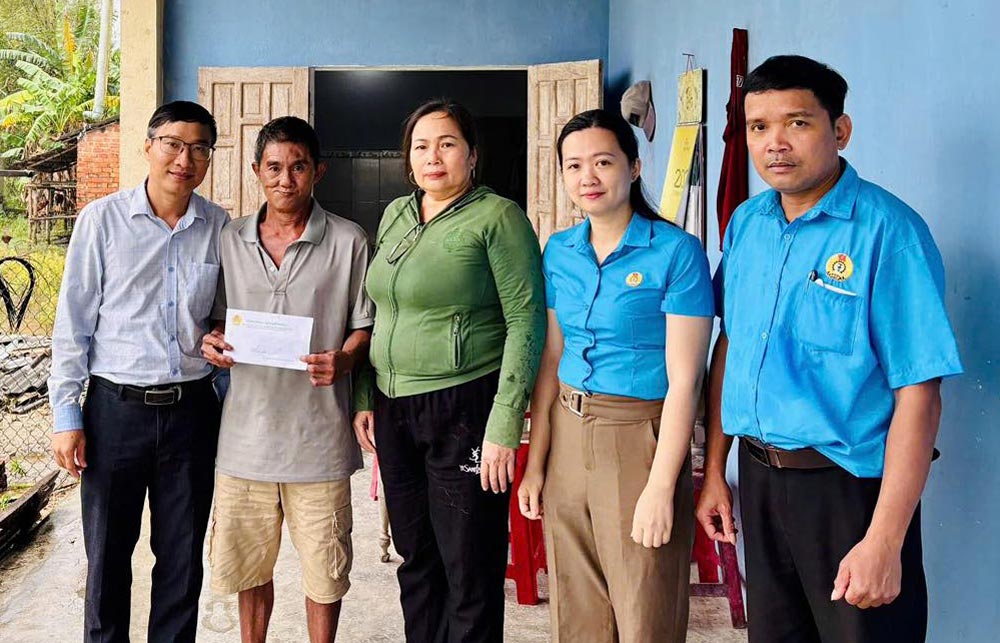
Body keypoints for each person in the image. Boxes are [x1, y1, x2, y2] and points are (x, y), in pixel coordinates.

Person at [695, 55, 964, 643]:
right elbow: (731, 349)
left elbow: (918, 393)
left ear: (839, 131)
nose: (775, 144)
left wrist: (884, 540)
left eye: (798, 123)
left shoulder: (888, 231)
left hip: (848, 491)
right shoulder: (747, 224)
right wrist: (715, 470)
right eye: (759, 127)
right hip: (759, 481)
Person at [352, 98, 545, 643]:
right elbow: (378, 309)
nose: (433, 156)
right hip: (394, 406)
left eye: (447, 143)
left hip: (466, 405)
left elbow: (526, 321)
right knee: (417, 558)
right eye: (421, 146)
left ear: (472, 155)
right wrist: (366, 393)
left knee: (470, 564)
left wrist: (506, 423)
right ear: (407, 158)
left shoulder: (498, 217)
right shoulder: (397, 213)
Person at [516, 109, 714, 642]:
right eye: (574, 165)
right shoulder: (560, 250)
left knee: (643, 606)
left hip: (639, 439)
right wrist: (536, 464)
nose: (589, 177)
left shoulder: (676, 252)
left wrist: (661, 486)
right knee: (578, 611)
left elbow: (684, 382)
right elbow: (552, 359)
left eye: (603, 161)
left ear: (634, 166)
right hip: (568, 434)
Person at [48, 100, 227, 642]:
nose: (184, 158)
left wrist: (222, 337)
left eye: (199, 148)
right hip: (114, 412)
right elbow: (72, 323)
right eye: (173, 143)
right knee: (107, 557)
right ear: (148, 146)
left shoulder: (219, 226)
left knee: (182, 559)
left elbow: (220, 315)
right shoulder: (101, 222)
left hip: (192, 413)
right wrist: (65, 414)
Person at [200, 116, 373, 643]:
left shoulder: (348, 241)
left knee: (325, 572)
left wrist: (342, 360)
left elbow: (363, 325)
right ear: (256, 171)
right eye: (273, 167)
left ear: (317, 171)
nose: (285, 179)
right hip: (244, 442)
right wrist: (213, 342)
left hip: (318, 441)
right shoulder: (229, 239)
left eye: (298, 166)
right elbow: (215, 318)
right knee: (250, 570)